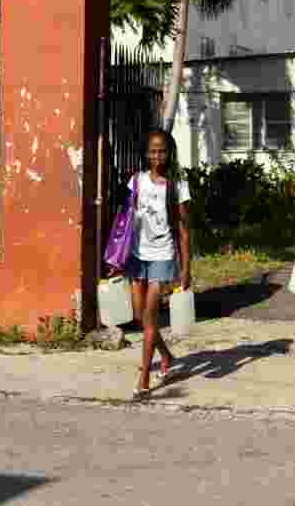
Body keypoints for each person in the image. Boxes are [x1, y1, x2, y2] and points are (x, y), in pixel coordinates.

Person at [126, 130, 191, 397]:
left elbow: (185, 230)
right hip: (137, 255)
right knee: (141, 316)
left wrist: (186, 268)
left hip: (162, 256)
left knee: (151, 317)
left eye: (162, 151)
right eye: (152, 151)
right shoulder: (137, 181)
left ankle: (144, 378)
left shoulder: (177, 184)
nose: (157, 156)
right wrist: (116, 255)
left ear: (169, 152)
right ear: (146, 153)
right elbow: (125, 220)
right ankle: (165, 356)